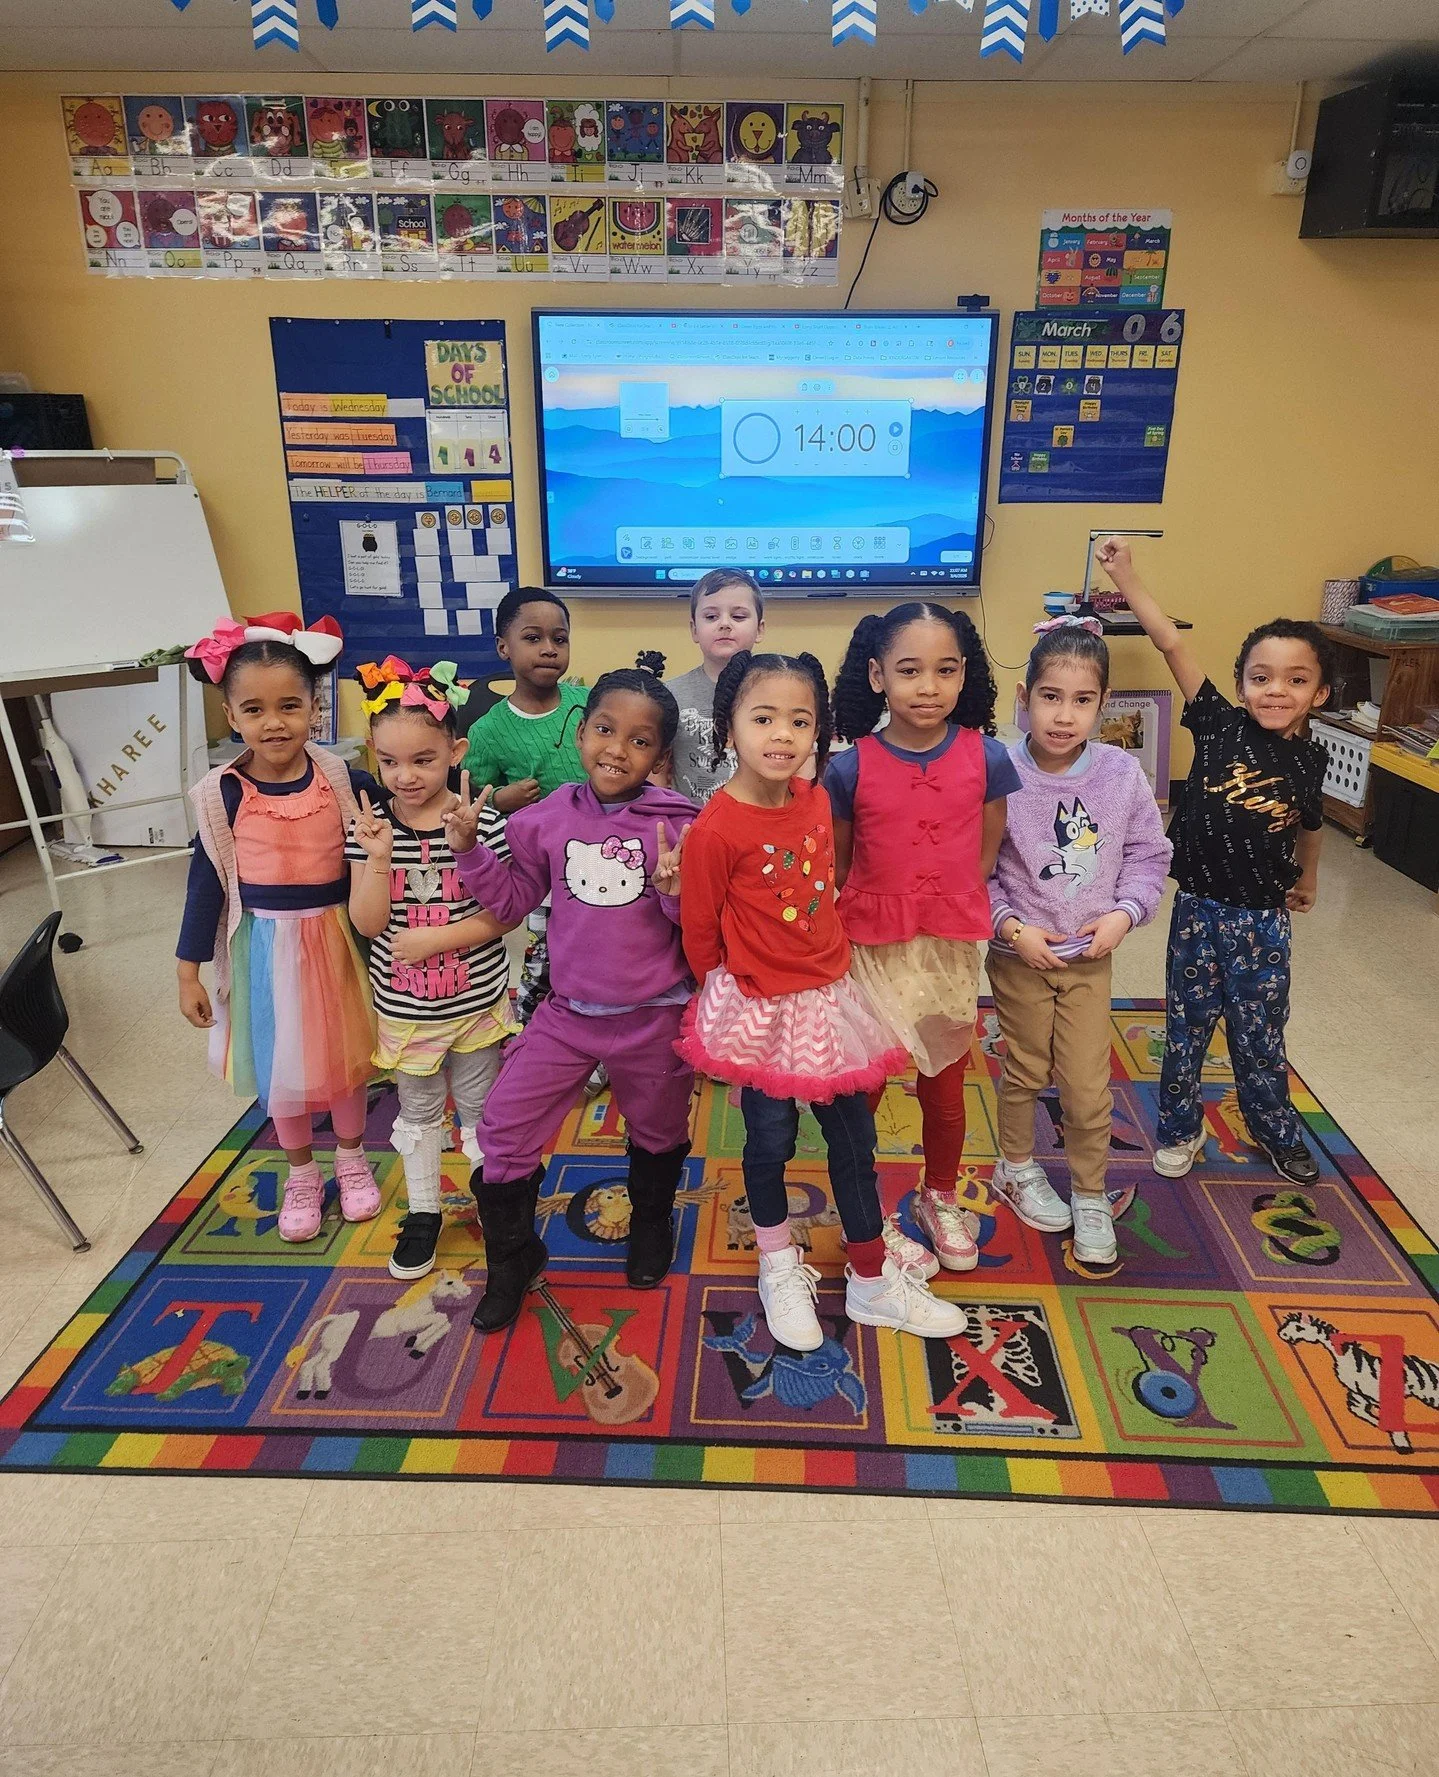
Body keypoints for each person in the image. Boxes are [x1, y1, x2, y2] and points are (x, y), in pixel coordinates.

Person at [678, 649, 967, 1353]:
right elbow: (698, 930)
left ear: (819, 730)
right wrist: (730, 1001)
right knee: (769, 1140)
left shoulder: (813, 799)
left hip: (831, 1001)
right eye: (763, 717)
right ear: (729, 728)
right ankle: (778, 1263)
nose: (781, 734)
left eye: (799, 720)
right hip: (762, 1010)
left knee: (854, 1141)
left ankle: (871, 1278)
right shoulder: (715, 828)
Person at [446, 666, 700, 1329]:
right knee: (502, 1131)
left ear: (659, 757)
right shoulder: (543, 819)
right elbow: (508, 903)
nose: (616, 749)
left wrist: (675, 894)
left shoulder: (680, 825)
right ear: (580, 730)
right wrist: (470, 850)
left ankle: (649, 1223)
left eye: (639, 740)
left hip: (654, 1018)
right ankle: (512, 1258)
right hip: (566, 1016)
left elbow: (700, 934)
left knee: (659, 1131)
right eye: (604, 730)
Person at [1095, 536, 1331, 1186]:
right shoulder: (1218, 723)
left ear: (1318, 692)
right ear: (1238, 684)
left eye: (1294, 679)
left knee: (1259, 1036)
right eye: (1259, 677)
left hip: (1262, 921)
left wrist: (1307, 876)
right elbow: (1170, 640)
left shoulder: (1311, 761)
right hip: (1197, 912)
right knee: (1186, 1028)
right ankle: (1178, 1126)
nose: (1274, 690)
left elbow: (1311, 825)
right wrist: (1124, 573)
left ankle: (1270, 1125)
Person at [176, 614, 379, 1242]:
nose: (274, 723)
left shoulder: (342, 779)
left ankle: (350, 1158)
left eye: (290, 705)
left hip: (337, 941)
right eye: (255, 709)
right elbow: (205, 883)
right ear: (231, 716)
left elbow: (397, 817)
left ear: (316, 709)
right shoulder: (223, 794)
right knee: (280, 1064)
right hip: (263, 948)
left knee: (343, 1060)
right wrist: (187, 971)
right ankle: (300, 1172)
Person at [830, 601, 1019, 1274]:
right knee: (868, 1086)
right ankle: (859, 1203)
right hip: (872, 947)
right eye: (909, 671)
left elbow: (986, 854)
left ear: (964, 673)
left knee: (943, 1084)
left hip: (945, 947)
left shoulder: (987, 756)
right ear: (878, 676)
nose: (928, 686)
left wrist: (940, 902)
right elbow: (842, 864)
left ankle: (939, 1193)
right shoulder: (849, 767)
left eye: (944, 670)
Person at [987, 618, 1172, 1265]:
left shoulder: (1120, 774)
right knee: (1025, 1069)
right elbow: (970, 872)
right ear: (1022, 696)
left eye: (1081, 699)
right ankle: (1012, 1165)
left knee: (1088, 1086)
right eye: (1049, 696)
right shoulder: (998, 773)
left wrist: (1124, 913)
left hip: (1089, 960)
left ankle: (1089, 1192)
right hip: (1018, 959)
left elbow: (1149, 856)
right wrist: (1011, 927)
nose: (1064, 715)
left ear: (1103, 702)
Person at [347, 657, 518, 1282]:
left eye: (422, 759)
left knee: (479, 1110)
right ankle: (422, 1210)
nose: (405, 775)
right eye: (389, 762)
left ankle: (492, 1203)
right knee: (417, 1112)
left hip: (474, 1007)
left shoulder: (485, 823)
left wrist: (437, 935)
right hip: (406, 1012)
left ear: (456, 750)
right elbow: (367, 924)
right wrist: (379, 858)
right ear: (373, 757)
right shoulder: (369, 829)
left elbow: (503, 912)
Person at [462, 587, 588, 1026]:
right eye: (533, 638)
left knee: (597, 948)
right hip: (538, 868)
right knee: (546, 954)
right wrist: (501, 798)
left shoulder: (587, 705)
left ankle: (600, 1032)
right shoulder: (487, 730)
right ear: (504, 647)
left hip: (601, 856)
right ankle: (539, 1033)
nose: (549, 649)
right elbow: (469, 799)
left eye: (560, 638)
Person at [664, 568, 765, 804]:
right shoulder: (670, 695)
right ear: (694, 630)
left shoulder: (778, 692)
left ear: (759, 629)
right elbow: (658, 771)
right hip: (693, 825)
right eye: (711, 617)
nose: (725, 624)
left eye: (738, 616)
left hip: (760, 826)